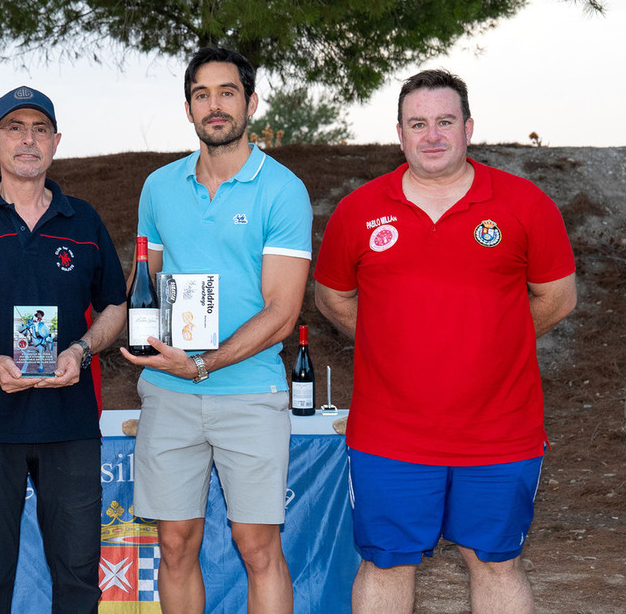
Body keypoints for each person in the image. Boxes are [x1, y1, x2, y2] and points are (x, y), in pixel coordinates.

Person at [313, 69, 577, 613]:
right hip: (390, 433)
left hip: (500, 431)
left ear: (468, 127)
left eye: (444, 122)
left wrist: (495, 342)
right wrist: (393, 342)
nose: (432, 135)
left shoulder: (525, 205)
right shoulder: (358, 211)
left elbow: (557, 297)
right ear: (400, 134)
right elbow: (331, 298)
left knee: (495, 561)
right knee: (386, 561)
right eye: (418, 124)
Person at [0, 85, 127, 612]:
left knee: (79, 576)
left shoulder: (84, 221)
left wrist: (80, 349)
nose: (27, 140)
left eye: (39, 129)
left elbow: (115, 308)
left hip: (71, 422)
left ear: (56, 141)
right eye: (14, 128)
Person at [120, 47, 313, 613]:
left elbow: (282, 310)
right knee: (175, 545)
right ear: (188, 109)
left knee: (257, 547)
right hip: (170, 394)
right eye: (202, 94)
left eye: (227, 92)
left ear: (250, 102)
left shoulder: (282, 189)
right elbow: (145, 282)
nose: (215, 105)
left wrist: (203, 363)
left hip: (249, 392)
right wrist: (144, 338)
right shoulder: (158, 187)